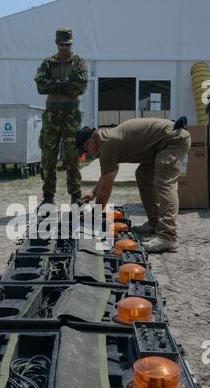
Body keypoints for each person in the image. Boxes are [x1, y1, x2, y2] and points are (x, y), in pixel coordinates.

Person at [76, 118, 191, 252]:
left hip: (172, 140)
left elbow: (107, 187)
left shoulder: (107, 144)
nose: (87, 155)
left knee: (164, 184)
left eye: (85, 151)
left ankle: (168, 236)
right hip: (161, 143)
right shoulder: (105, 139)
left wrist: (94, 214)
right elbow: (107, 175)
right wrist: (94, 193)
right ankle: (154, 223)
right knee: (143, 175)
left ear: (90, 142)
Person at [34, 27, 88, 207]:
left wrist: (54, 84)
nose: (64, 47)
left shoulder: (79, 62)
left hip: (72, 114)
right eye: (61, 44)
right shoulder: (47, 63)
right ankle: (48, 196)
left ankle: (76, 196)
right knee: (48, 155)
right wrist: (67, 83)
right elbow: (41, 87)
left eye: (67, 44)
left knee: (73, 155)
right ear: (56, 43)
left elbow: (80, 87)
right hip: (51, 114)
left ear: (71, 44)